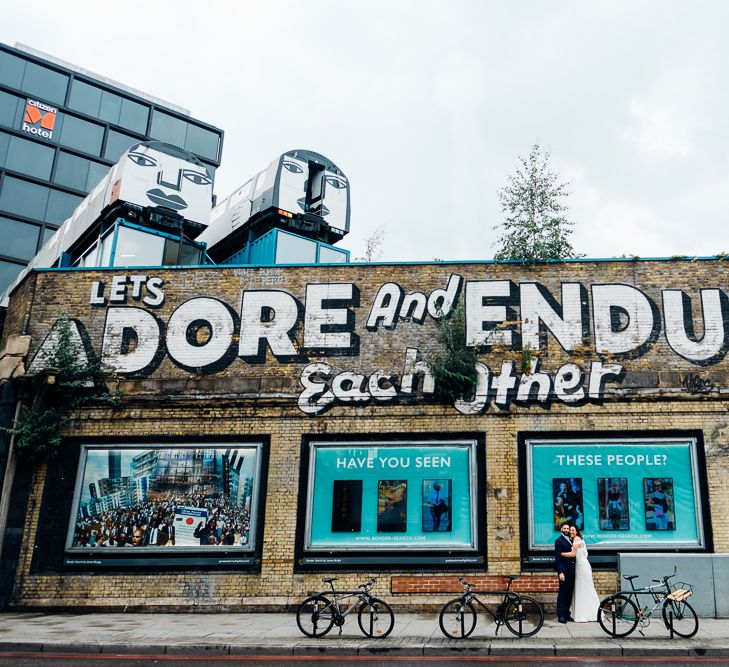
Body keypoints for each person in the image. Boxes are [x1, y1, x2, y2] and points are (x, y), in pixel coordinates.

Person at [561, 526, 600, 622]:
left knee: (584, 588)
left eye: (573, 530)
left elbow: (573, 554)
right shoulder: (577, 539)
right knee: (582, 589)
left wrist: (560, 554)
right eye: (570, 530)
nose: (571, 531)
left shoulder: (577, 539)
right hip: (581, 566)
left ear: (577, 531)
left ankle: (587, 613)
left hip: (581, 567)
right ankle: (586, 612)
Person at [554, 522, 576, 623]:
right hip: (564, 571)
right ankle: (561, 615)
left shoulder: (571, 540)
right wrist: (560, 572)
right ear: (561, 529)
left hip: (572, 571)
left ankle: (567, 614)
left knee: (569, 593)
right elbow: (557, 558)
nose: (567, 530)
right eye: (565, 528)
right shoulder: (558, 541)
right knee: (562, 594)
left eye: (568, 528)